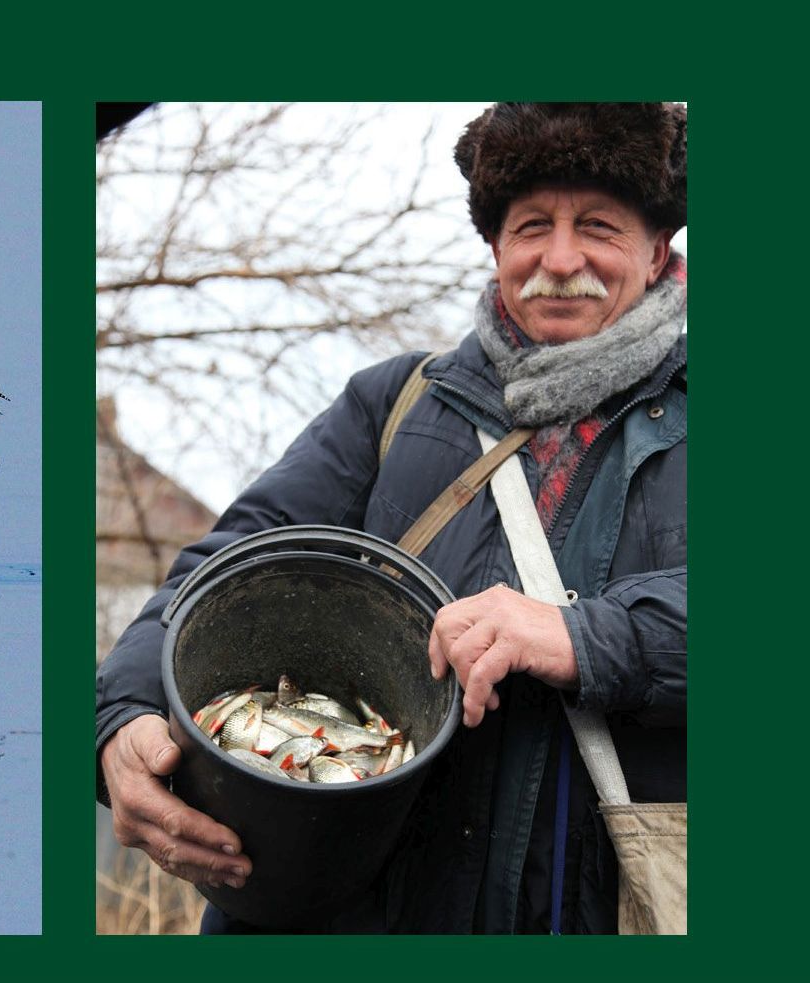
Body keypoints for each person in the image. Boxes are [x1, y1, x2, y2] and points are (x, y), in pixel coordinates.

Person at [96, 103, 687, 934]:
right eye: (530, 227)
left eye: (596, 225)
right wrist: (120, 715)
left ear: (657, 250)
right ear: (495, 247)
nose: (559, 259)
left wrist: (586, 637)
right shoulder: (394, 402)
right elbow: (230, 562)